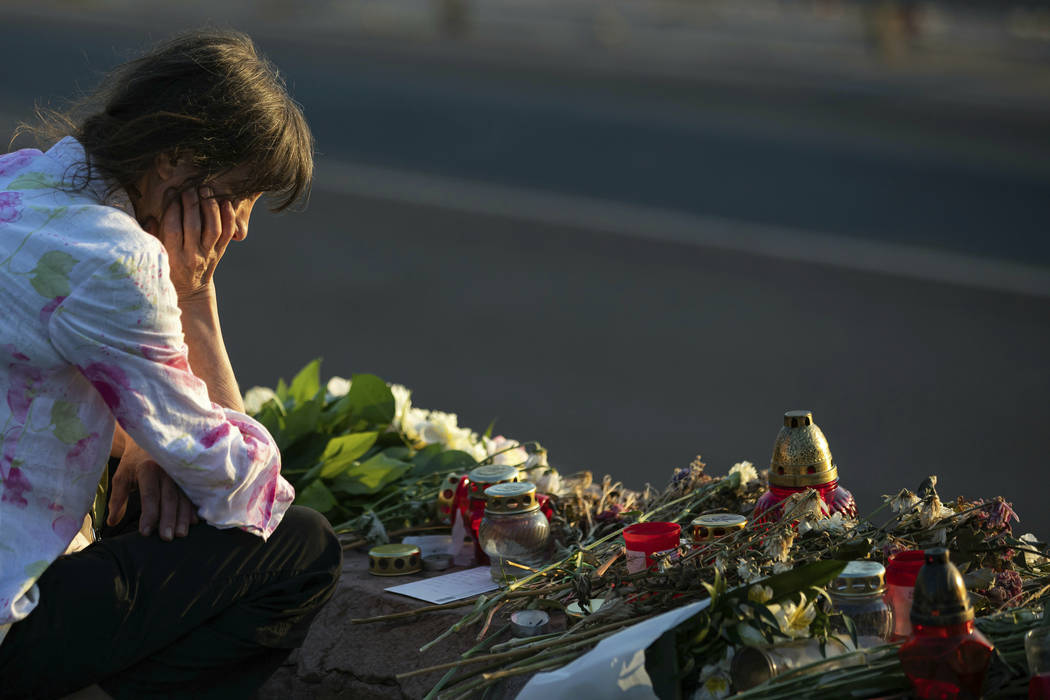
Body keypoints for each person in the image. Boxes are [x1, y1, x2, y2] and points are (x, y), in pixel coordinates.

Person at [0, 29, 341, 698]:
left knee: (146, 490)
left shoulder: (18, 183)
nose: (240, 228)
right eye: (240, 196)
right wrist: (196, 297)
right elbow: (245, 491)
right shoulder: (117, 259)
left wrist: (143, 443)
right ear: (177, 161)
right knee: (302, 549)